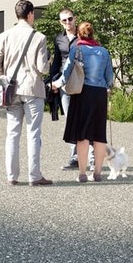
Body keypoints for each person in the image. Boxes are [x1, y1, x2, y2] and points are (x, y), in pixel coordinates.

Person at [0, 0, 53, 186]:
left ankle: (12, 176)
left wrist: (4, 78)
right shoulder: (39, 37)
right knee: (33, 133)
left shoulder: (5, 35)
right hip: (32, 89)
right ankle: (34, 176)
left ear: (17, 15)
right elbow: (43, 69)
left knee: (12, 133)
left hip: (12, 90)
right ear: (31, 14)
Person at [52, 19, 115, 182]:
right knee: (99, 135)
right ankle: (98, 173)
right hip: (99, 94)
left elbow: (66, 73)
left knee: (83, 134)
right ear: (93, 33)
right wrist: (106, 87)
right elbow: (109, 78)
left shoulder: (76, 49)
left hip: (82, 93)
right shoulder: (104, 51)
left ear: (79, 34)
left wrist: (56, 85)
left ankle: (82, 173)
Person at [48, 9, 89, 171]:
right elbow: (56, 61)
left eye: (70, 19)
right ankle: (74, 158)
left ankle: (89, 158)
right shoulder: (59, 39)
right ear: (60, 22)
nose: (67, 23)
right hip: (65, 85)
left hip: (83, 82)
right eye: (64, 20)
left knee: (85, 119)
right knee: (70, 121)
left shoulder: (82, 35)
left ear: (75, 19)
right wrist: (53, 82)